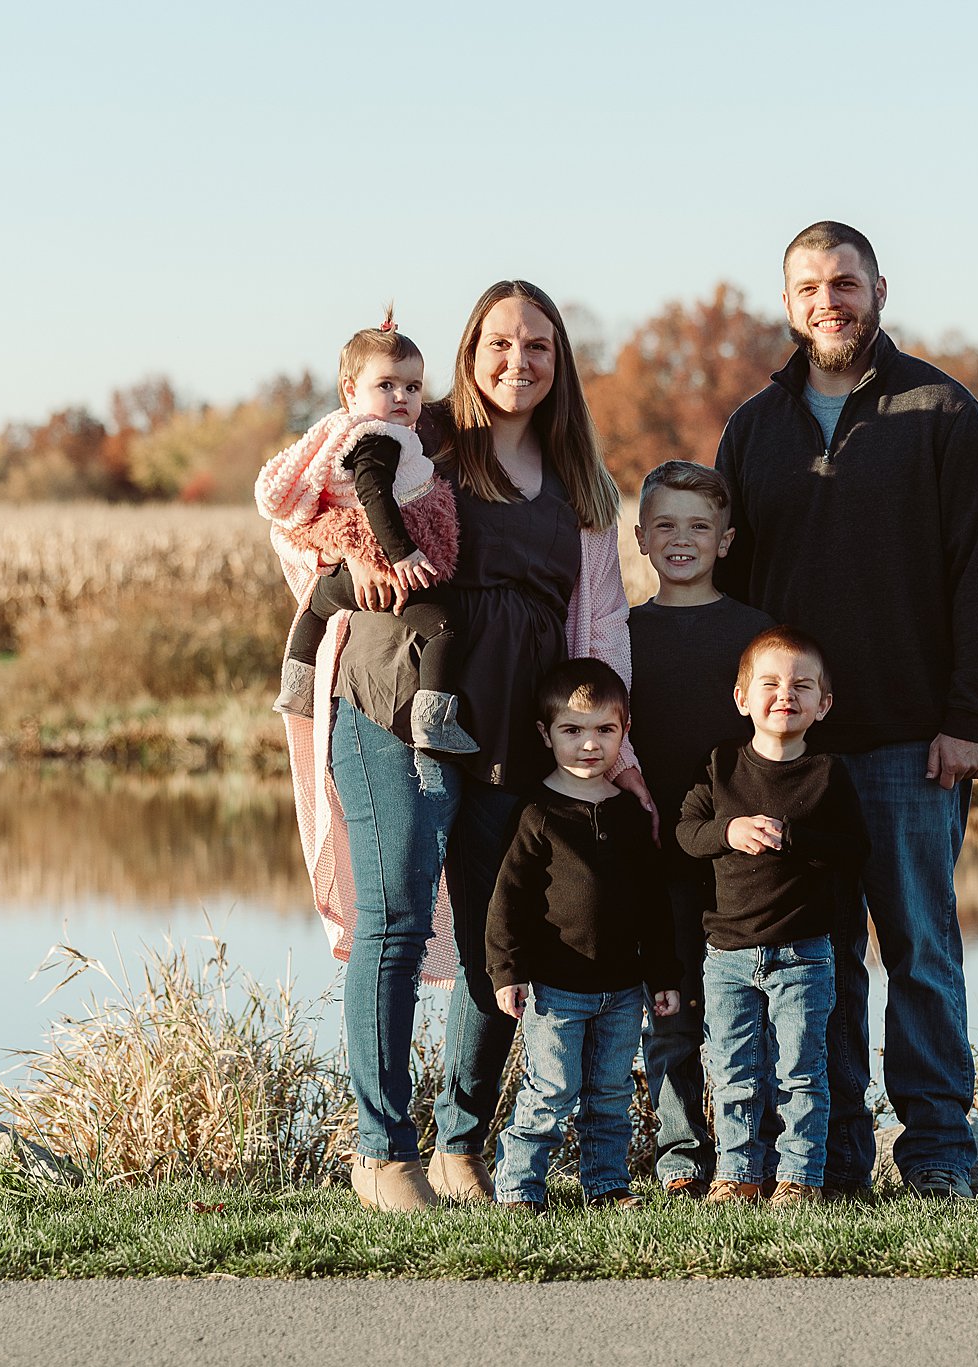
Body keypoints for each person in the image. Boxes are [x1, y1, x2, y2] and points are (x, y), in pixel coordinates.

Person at [270, 280, 646, 1211]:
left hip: (517, 720)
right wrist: (347, 555)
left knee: (500, 937)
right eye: (500, 345)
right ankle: (379, 1149)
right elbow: (297, 507)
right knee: (395, 913)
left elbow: (596, 622)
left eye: (540, 348)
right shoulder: (417, 435)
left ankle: (459, 1143)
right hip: (395, 697)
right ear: (471, 354)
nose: (519, 363)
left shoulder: (580, 486)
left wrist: (611, 741)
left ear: (561, 366)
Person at [714, 222, 978, 1200]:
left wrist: (969, 715)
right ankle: (834, 1160)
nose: (826, 300)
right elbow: (731, 583)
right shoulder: (755, 425)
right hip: (790, 750)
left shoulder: (938, 409)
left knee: (919, 951)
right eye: (807, 285)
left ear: (877, 287)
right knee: (817, 958)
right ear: (788, 300)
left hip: (905, 741)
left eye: (842, 282)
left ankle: (934, 1155)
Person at [677, 627, 868, 1205]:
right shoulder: (718, 766)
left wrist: (795, 838)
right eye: (770, 684)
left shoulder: (829, 775)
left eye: (801, 686)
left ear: (822, 705)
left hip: (804, 955)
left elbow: (856, 850)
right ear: (742, 698)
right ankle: (739, 1175)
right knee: (734, 1073)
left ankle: (799, 1178)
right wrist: (728, 832)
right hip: (728, 956)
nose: (785, 695)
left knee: (801, 1073)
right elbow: (686, 835)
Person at [487, 659, 682, 1212]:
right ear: (545, 734)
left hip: (622, 989)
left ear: (624, 732)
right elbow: (508, 902)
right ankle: (519, 1190)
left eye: (605, 730)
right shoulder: (536, 812)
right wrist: (508, 972)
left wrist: (663, 975)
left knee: (611, 1094)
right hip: (555, 988)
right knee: (550, 1092)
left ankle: (606, 1185)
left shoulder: (629, 812)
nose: (589, 745)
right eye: (572, 731)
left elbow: (653, 904)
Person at [626, 460, 772, 1197]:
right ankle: (681, 1152)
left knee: (748, 1009)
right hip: (658, 861)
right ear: (642, 538)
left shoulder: (754, 634)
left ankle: (756, 1152)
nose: (681, 539)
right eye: (666, 525)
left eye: (698, 526)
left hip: (741, 862)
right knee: (671, 1008)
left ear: (725, 540)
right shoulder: (622, 634)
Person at [254, 311, 474, 753]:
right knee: (447, 626)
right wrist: (403, 554)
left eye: (412, 387)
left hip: (344, 576)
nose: (401, 397)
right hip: (380, 564)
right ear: (350, 391)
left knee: (316, 608)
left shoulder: (361, 433)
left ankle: (297, 685)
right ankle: (433, 716)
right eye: (386, 385)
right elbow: (376, 496)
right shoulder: (378, 438)